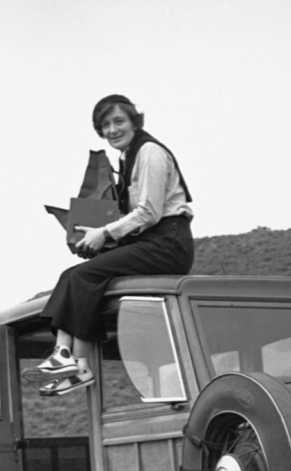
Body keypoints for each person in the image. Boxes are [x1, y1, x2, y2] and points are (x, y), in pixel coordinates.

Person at [38, 94, 194, 396]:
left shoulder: (149, 152)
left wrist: (105, 234)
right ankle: (68, 359)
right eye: (105, 124)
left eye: (119, 121)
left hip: (168, 243)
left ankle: (74, 363)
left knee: (84, 276)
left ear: (134, 122)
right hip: (150, 240)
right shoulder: (127, 158)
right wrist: (93, 233)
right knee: (74, 275)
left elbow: (149, 212)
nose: (112, 129)